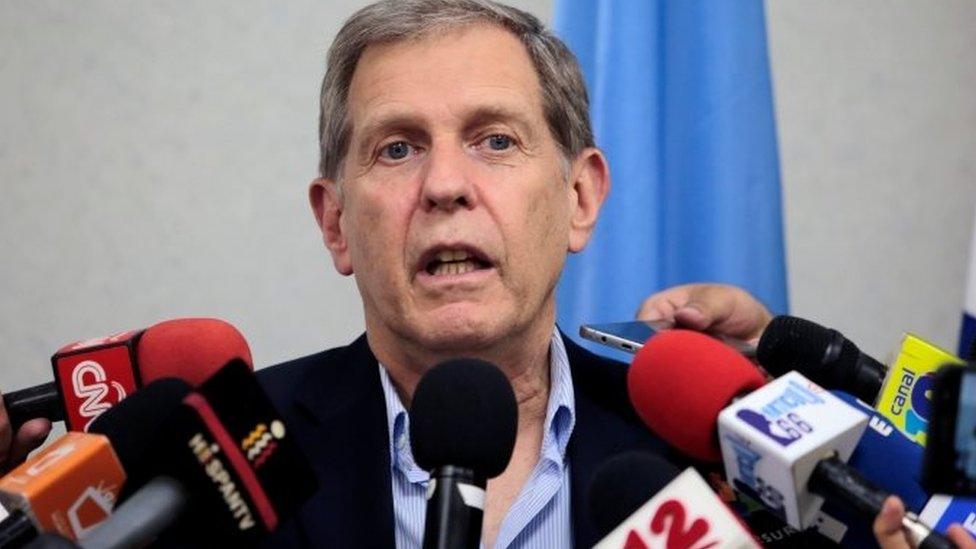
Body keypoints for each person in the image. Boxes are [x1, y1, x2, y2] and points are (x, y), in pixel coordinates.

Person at [0, 1, 962, 548]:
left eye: (494, 140)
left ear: (581, 198)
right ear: (336, 223)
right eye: (396, 150)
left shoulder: (718, 455)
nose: (447, 186)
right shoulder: (207, 470)